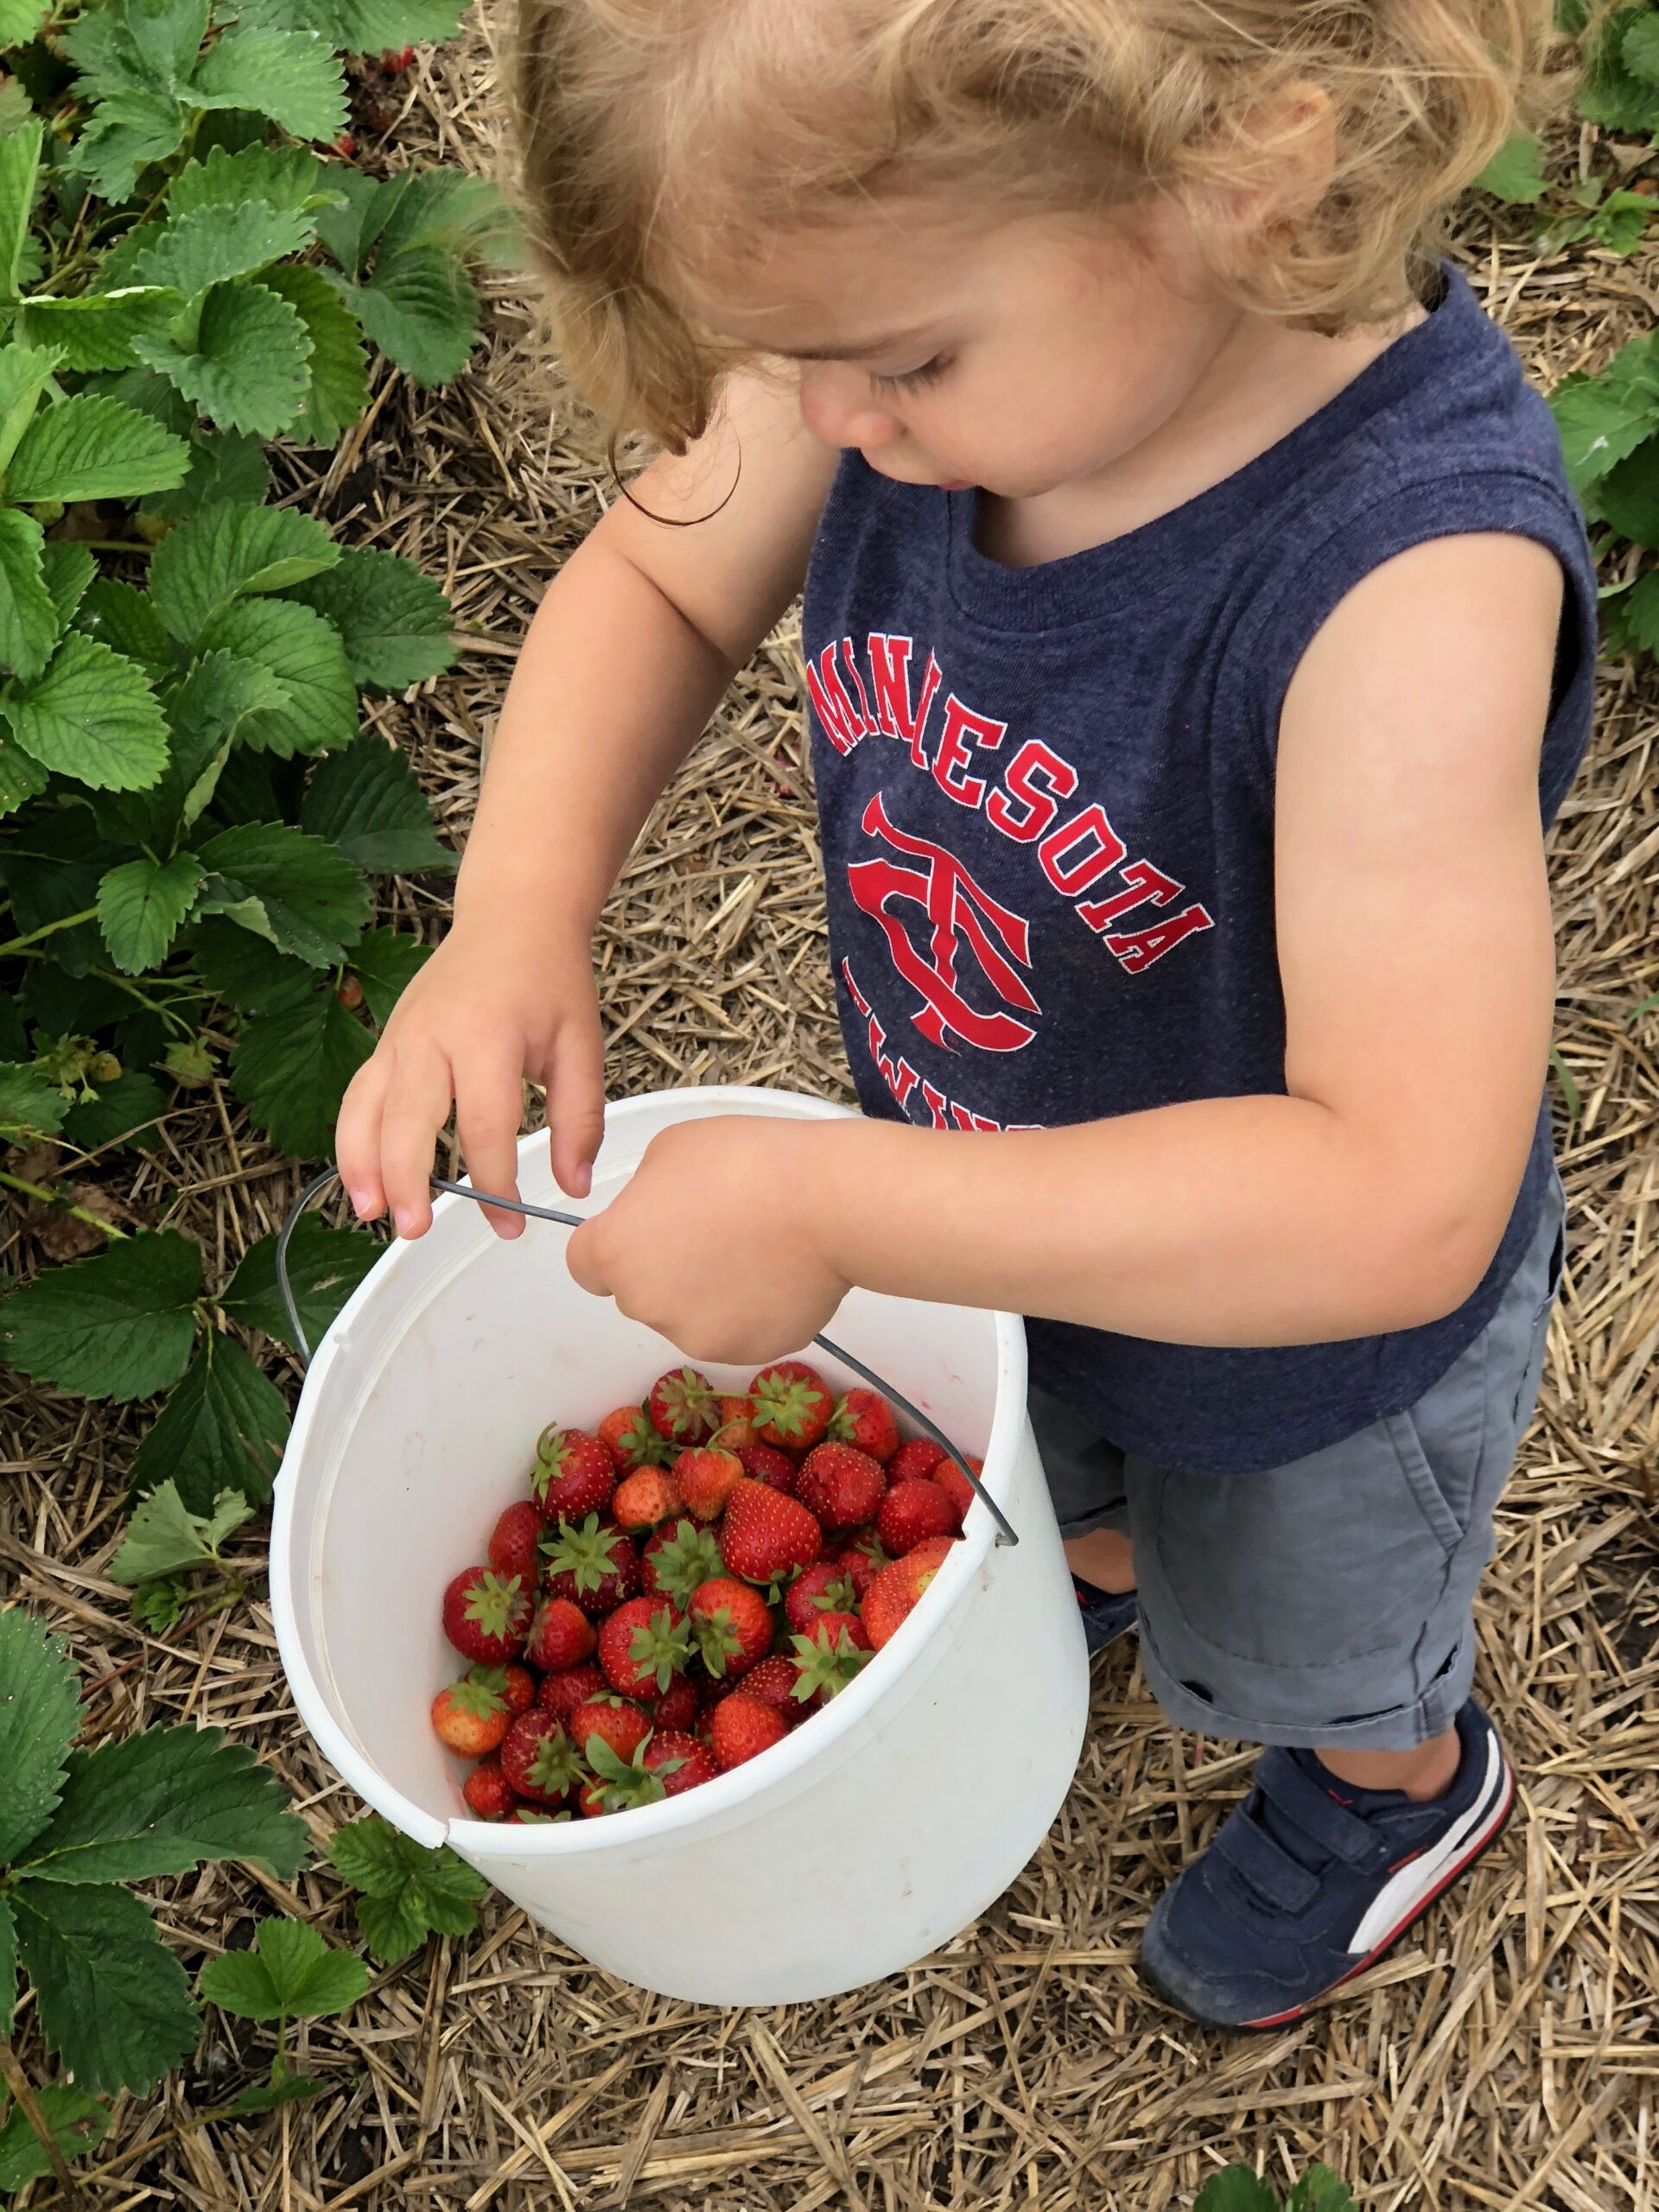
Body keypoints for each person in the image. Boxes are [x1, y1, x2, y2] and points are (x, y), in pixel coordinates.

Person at [335, 0, 1592, 2029]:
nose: (828, 425)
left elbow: (1396, 1194)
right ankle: (1090, 1566)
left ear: (1242, 169)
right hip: (997, 1203)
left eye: (900, 361)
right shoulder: (898, 327)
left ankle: (1393, 1788)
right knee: (1061, 1464)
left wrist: (846, 1209)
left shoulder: (1405, 580)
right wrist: (513, 910)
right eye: (792, 361)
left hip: (1309, 1357)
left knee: (1306, 1618)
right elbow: (656, 582)